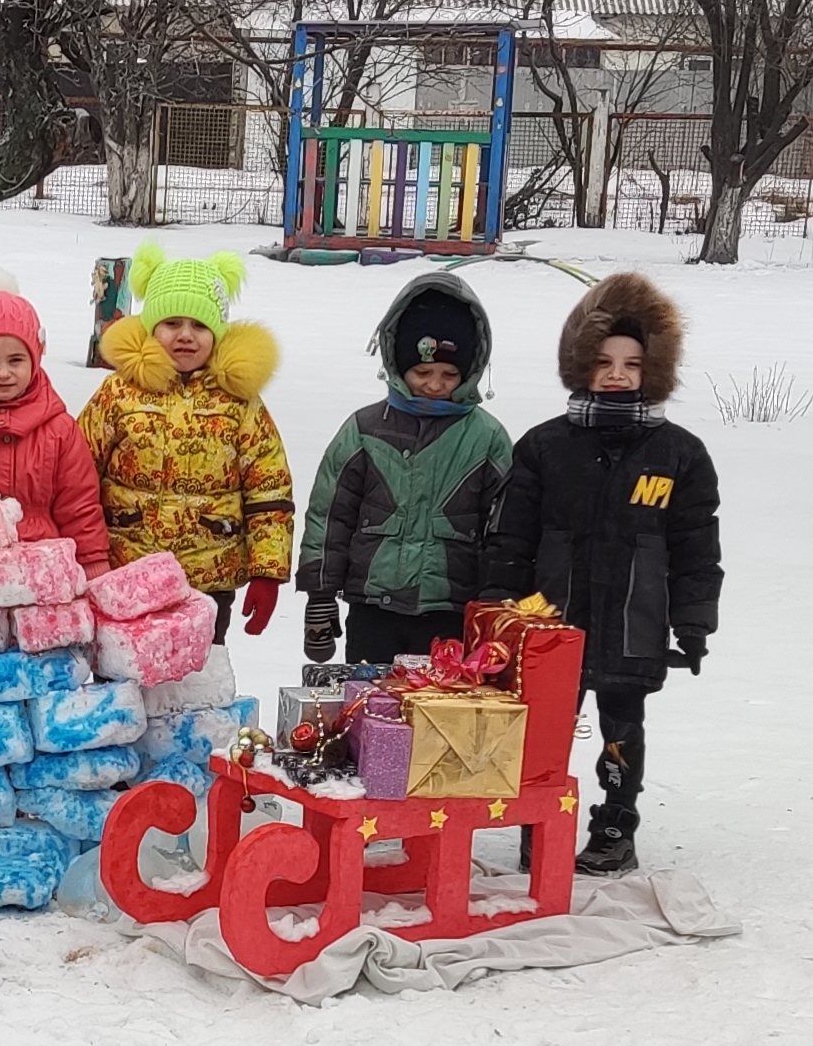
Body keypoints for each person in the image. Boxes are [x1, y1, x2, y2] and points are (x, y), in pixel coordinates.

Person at [484, 273, 721, 875]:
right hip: (549, 620)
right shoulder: (544, 447)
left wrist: (692, 620)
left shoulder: (679, 454)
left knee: (622, 725)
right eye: (603, 361)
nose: (617, 373)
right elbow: (512, 535)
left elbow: (696, 545)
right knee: (545, 728)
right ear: (580, 364)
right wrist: (497, 606)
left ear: (655, 369)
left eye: (632, 363)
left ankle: (616, 823)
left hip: (632, 622)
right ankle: (542, 824)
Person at [297, 274, 513, 664]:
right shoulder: (365, 429)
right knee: (370, 713)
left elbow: (505, 529)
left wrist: (496, 604)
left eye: (449, 375)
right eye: (423, 373)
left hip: (450, 610)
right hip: (374, 608)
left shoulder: (487, 438)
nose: (434, 385)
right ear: (398, 366)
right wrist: (321, 595)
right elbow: (330, 515)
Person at [81, 244, 291, 642]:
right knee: (129, 678)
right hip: (128, 571)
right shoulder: (118, 394)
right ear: (150, 328)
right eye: (172, 323)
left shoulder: (239, 402)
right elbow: (77, 475)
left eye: (199, 326)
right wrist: (85, 553)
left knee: (198, 685)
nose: (185, 336)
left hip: (209, 578)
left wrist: (267, 571)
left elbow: (270, 490)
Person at [0, 269, 109, 576]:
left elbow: (79, 504)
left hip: (41, 568)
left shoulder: (59, 430)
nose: (3, 373)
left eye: (16, 360)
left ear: (35, 358)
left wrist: (92, 562)